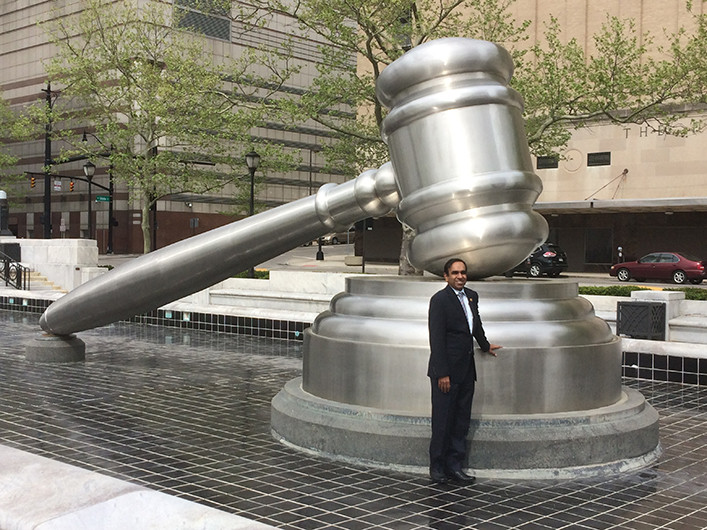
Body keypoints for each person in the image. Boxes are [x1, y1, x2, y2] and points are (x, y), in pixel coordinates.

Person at [427, 258, 501, 485]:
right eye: (455, 273)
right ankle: (437, 467)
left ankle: (454, 466)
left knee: (461, 421)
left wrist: (485, 345)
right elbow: (436, 338)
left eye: (463, 273)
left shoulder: (471, 296)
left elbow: (475, 324)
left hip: (467, 371)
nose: (460, 276)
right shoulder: (440, 300)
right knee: (443, 422)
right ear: (446, 276)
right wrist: (442, 373)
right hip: (446, 373)